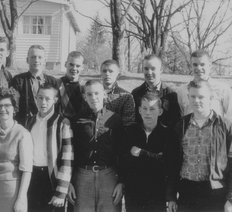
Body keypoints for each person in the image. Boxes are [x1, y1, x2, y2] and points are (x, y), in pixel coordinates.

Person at [167, 80, 232, 212]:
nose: (196, 100)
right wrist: (171, 196)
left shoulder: (226, 127)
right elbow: (172, 163)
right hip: (187, 193)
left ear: (211, 98)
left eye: (201, 97)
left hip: (215, 194)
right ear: (188, 97)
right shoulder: (180, 126)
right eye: (193, 96)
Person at [68, 80, 124, 212]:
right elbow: (69, 153)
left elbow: (122, 152)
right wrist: (68, 182)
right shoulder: (76, 121)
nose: (94, 97)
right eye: (89, 94)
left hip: (108, 175)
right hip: (82, 176)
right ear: (84, 97)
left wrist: (121, 182)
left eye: (97, 93)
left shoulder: (115, 119)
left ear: (104, 94)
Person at [121, 93, 179, 212]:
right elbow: (124, 162)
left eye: (152, 109)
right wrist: (156, 157)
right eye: (144, 108)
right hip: (133, 192)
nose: (148, 113)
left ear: (160, 112)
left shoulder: (168, 135)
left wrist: (141, 153)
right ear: (139, 110)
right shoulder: (130, 132)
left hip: (157, 193)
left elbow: (170, 165)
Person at [25, 83, 74, 212]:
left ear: (55, 100)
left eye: (47, 98)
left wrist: (61, 192)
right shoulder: (29, 122)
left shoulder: (63, 123)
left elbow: (67, 160)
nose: (43, 102)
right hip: (32, 178)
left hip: (52, 179)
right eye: (40, 97)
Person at [177, 50, 232, 129]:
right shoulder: (182, 90)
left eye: (202, 64)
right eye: (195, 65)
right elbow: (181, 117)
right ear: (191, 66)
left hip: (216, 135)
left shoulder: (222, 88)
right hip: (190, 136)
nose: (198, 68)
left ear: (210, 65)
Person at [11, 45, 60, 125]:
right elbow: (14, 105)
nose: (36, 60)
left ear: (45, 60)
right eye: (33, 57)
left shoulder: (53, 82)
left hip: (47, 124)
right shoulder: (18, 80)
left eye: (40, 57)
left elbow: (57, 106)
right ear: (27, 60)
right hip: (24, 124)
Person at [131, 54, 180, 128]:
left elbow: (174, 121)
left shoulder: (171, 95)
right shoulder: (136, 93)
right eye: (146, 69)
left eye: (153, 69)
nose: (149, 72)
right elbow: (134, 120)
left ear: (161, 70)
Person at [100, 59, 135, 127]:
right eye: (104, 71)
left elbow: (128, 124)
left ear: (118, 75)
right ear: (100, 74)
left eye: (111, 71)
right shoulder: (93, 93)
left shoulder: (126, 96)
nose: (107, 74)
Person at [59, 51, 85, 119]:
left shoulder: (85, 86)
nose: (74, 68)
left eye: (78, 66)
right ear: (65, 64)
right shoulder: (57, 84)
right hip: (61, 123)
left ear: (82, 67)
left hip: (81, 124)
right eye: (71, 64)